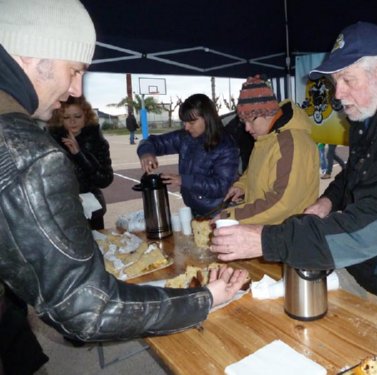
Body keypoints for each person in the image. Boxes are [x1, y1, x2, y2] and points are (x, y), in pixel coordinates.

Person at [0, 0, 248, 370]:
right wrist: (204, 299)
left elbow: (220, 184)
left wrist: (184, 179)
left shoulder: (223, 145)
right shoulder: (26, 151)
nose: (74, 89)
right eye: (74, 70)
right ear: (37, 59)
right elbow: (88, 307)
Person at [211, 21, 377, 304]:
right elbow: (356, 173)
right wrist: (328, 201)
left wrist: (266, 240)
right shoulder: (372, 115)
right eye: (335, 83)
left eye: (347, 80)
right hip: (366, 267)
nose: (338, 94)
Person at [220, 75, 319, 224]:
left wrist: (231, 216)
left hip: (289, 233)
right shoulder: (266, 138)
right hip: (269, 229)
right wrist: (241, 186)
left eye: (250, 120)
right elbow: (254, 171)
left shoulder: (291, 143)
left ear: (268, 113)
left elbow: (282, 202)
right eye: (243, 121)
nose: (247, 128)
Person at [137, 93, 239, 217]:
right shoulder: (185, 137)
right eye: (184, 122)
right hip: (194, 209)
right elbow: (153, 142)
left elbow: (221, 186)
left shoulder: (226, 145)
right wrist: (146, 152)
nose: (186, 127)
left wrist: (184, 180)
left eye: (191, 122)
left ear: (207, 118)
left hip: (219, 212)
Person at [48, 95, 113, 230]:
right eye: (66, 117)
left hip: (92, 209)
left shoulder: (97, 142)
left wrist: (79, 154)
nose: (72, 122)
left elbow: (104, 180)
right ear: (59, 120)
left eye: (77, 116)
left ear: (86, 117)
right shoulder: (50, 141)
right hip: (62, 210)